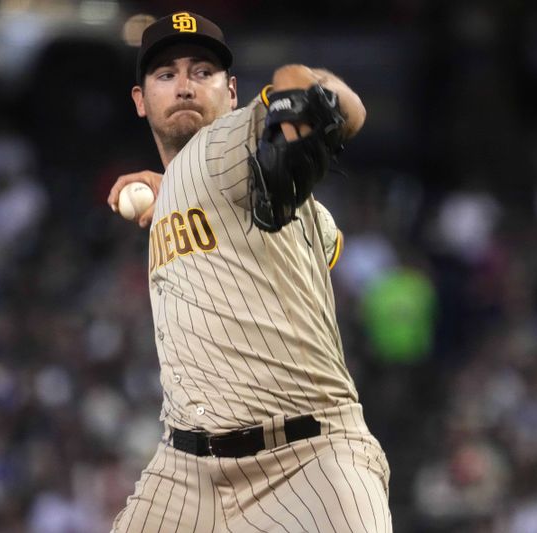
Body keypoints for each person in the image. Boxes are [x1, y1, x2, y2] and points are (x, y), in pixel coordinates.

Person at [107, 11, 391, 532]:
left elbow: (339, 108)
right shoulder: (180, 185)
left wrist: (302, 86)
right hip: (184, 471)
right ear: (141, 100)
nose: (186, 86)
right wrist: (172, 191)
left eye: (202, 72)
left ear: (232, 92)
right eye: (166, 75)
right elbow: (327, 243)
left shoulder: (229, 144)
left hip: (308, 463)